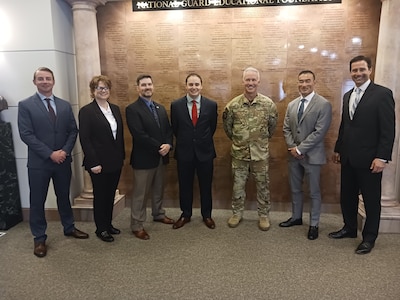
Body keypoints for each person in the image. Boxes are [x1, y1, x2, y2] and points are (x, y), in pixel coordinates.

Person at [18, 67, 89, 258]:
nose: (44, 81)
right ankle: (39, 238)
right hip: (39, 163)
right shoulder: (25, 105)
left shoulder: (64, 105)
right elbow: (26, 135)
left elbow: (73, 131)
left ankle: (69, 227)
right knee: (37, 201)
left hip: (62, 161)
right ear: (34, 82)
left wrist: (64, 151)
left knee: (64, 196)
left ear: (53, 81)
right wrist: (50, 154)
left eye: (48, 78)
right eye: (40, 79)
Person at [329, 55, 395, 254]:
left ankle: (369, 238)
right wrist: (339, 149)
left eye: (361, 70)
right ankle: (349, 228)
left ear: (370, 70)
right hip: (348, 157)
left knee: (371, 199)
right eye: (354, 70)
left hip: (370, 160)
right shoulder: (348, 95)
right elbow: (345, 125)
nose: (358, 73)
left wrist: (382, 157)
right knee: (347, 197)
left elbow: (388, 129)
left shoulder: (382, 94)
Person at [222, 67, 278, 231]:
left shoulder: (268, 105)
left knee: (263, 186)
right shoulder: (233, 106)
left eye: (254, 80)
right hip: (239, 154)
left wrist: (259, 142)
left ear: (258, 82)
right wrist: (240, 141)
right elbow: (228, 128)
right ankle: (237, 213)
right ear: (243, 81)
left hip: (260, 155)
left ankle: (263, 215)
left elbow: (272, 128)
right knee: (238, 186)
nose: (250, 83)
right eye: (248, 80)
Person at [279, 70, 332, 240]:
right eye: (301, 81)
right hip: (293, 156)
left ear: (314, 82)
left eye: (307, 81)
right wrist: (293, 148)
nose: (304, 84)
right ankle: (296, 217)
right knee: (295, 189)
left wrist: (301, 149)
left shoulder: (323, 104)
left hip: (312, 157)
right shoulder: (292, 104)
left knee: (314, 192)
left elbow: (320, 131)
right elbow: (286, 128)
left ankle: (314, 224)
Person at [126, 74, 174, 240]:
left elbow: (168, 130)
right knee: (141, 193)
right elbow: (139, 134)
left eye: (149, 84)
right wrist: (159, 146)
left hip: (161, 157)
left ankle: (158, 213)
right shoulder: (132, 109)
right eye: (143, 85)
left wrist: (168, 145)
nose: (147, 87)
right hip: (144, 159)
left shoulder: (159, 108)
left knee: (158, 189)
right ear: (138, 88)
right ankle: (137, 225)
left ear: (153, 87)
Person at [78, 75, 125, 243]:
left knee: (110, 194)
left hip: (115, 161)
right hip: (98, 163)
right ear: (93, 91)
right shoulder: (87, 111)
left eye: (105, 88)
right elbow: (85, 139)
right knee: (100, 195)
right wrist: (93, 162)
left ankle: (108, 224)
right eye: (99, 88)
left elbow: (118, 136)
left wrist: (121, 157)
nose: (103, 91)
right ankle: (101, 228)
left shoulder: (115, 109)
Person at [170, 73, 218, 229]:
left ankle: (207, 215)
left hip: (205, 153)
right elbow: (175, 128)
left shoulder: (211, 105)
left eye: (197, 84)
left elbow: (212, 127)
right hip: (184, 153)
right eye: (191, 84)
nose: (194, 87)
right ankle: (185, 214)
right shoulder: (176, 105)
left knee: (206, 186)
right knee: (185, 185)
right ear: (186, 86)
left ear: (201, 86)